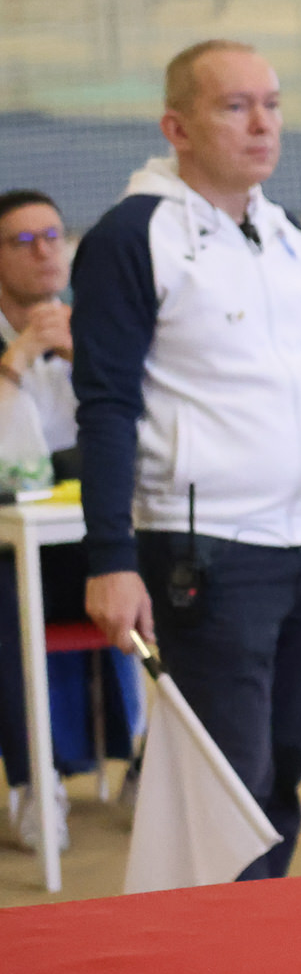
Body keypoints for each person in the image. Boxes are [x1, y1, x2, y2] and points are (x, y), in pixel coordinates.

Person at [73, 41, 301, 880]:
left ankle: (259, 933)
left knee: (285, 768)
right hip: (206, 552)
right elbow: (105, 405)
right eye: (235, 106)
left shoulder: (287, 236)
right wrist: (110, 559)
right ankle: (220, 943)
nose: (262, 125)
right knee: (229, 784)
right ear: (177, 128)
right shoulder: (132, 239)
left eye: (272, 105)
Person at [0, 189, 127, 856]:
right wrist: (15, 362)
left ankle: (155, 768)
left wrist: (88, 360)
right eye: (23, 241)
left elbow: (144, 434)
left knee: (191, 575)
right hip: (12, 560)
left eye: (53, 235)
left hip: (89, 547)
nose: (45, 251)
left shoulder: (99, 332)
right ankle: (33, 783)